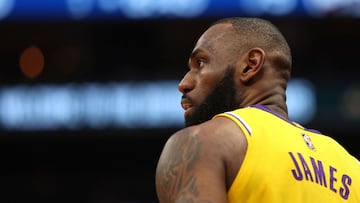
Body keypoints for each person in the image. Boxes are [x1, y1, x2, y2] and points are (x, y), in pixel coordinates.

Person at [155, 17, 360, 203]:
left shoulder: (204, 143)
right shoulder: (352, 168)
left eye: (201, 63)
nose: (184, 83)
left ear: (250, 65)